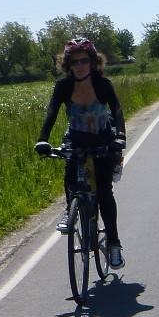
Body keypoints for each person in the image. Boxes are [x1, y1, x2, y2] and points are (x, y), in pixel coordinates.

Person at [34, 38, 128, 269]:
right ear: (67, 64)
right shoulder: (63, 86)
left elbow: (116, 109)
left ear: (93, 62)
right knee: (70, 176)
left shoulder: (102, 84)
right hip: (76, 138)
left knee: (105, 192)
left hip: (102, 139)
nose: (80, 65)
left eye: (84, 60)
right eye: (74, 61)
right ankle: (70, 210)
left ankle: (114, 244)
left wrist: (120, 136)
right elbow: (52, 111)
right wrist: (42, 140)